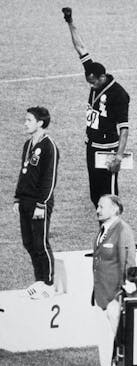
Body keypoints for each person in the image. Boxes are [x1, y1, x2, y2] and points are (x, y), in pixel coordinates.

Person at [62, 7, 130, 208]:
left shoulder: (119, 94)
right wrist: (69, 21)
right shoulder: (93, 72)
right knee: (95, 196)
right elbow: (80, 46)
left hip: (107, 149)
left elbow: (124, 129)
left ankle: (113, 234)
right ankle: (104, 229)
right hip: (91, 146)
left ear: (102, 77)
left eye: (93, 83)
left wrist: (118, 156)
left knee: (109, 196)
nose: (91, 86)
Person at [13, 106, 59, 299]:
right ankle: (39, 279)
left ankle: (49, 283)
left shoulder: (49, 146)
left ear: (40, 123)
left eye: (29, 120)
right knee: (28, 242)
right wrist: (17, 197)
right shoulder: (28, 144)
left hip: (40, 203)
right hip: (25, 200)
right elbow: (23, 173)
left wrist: (42, 204)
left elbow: (50, 178)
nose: (25, 123)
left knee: (40, 243)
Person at [92, 194, 136, 366]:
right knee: (104, 342)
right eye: (98, 206)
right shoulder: (104, 229)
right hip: (101, 296)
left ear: (115, 209)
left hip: (115, 298)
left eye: (101, 207)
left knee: (122, 344)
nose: (97, 210)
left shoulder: (122, 230)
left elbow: (129, 263)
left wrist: (122, 295)